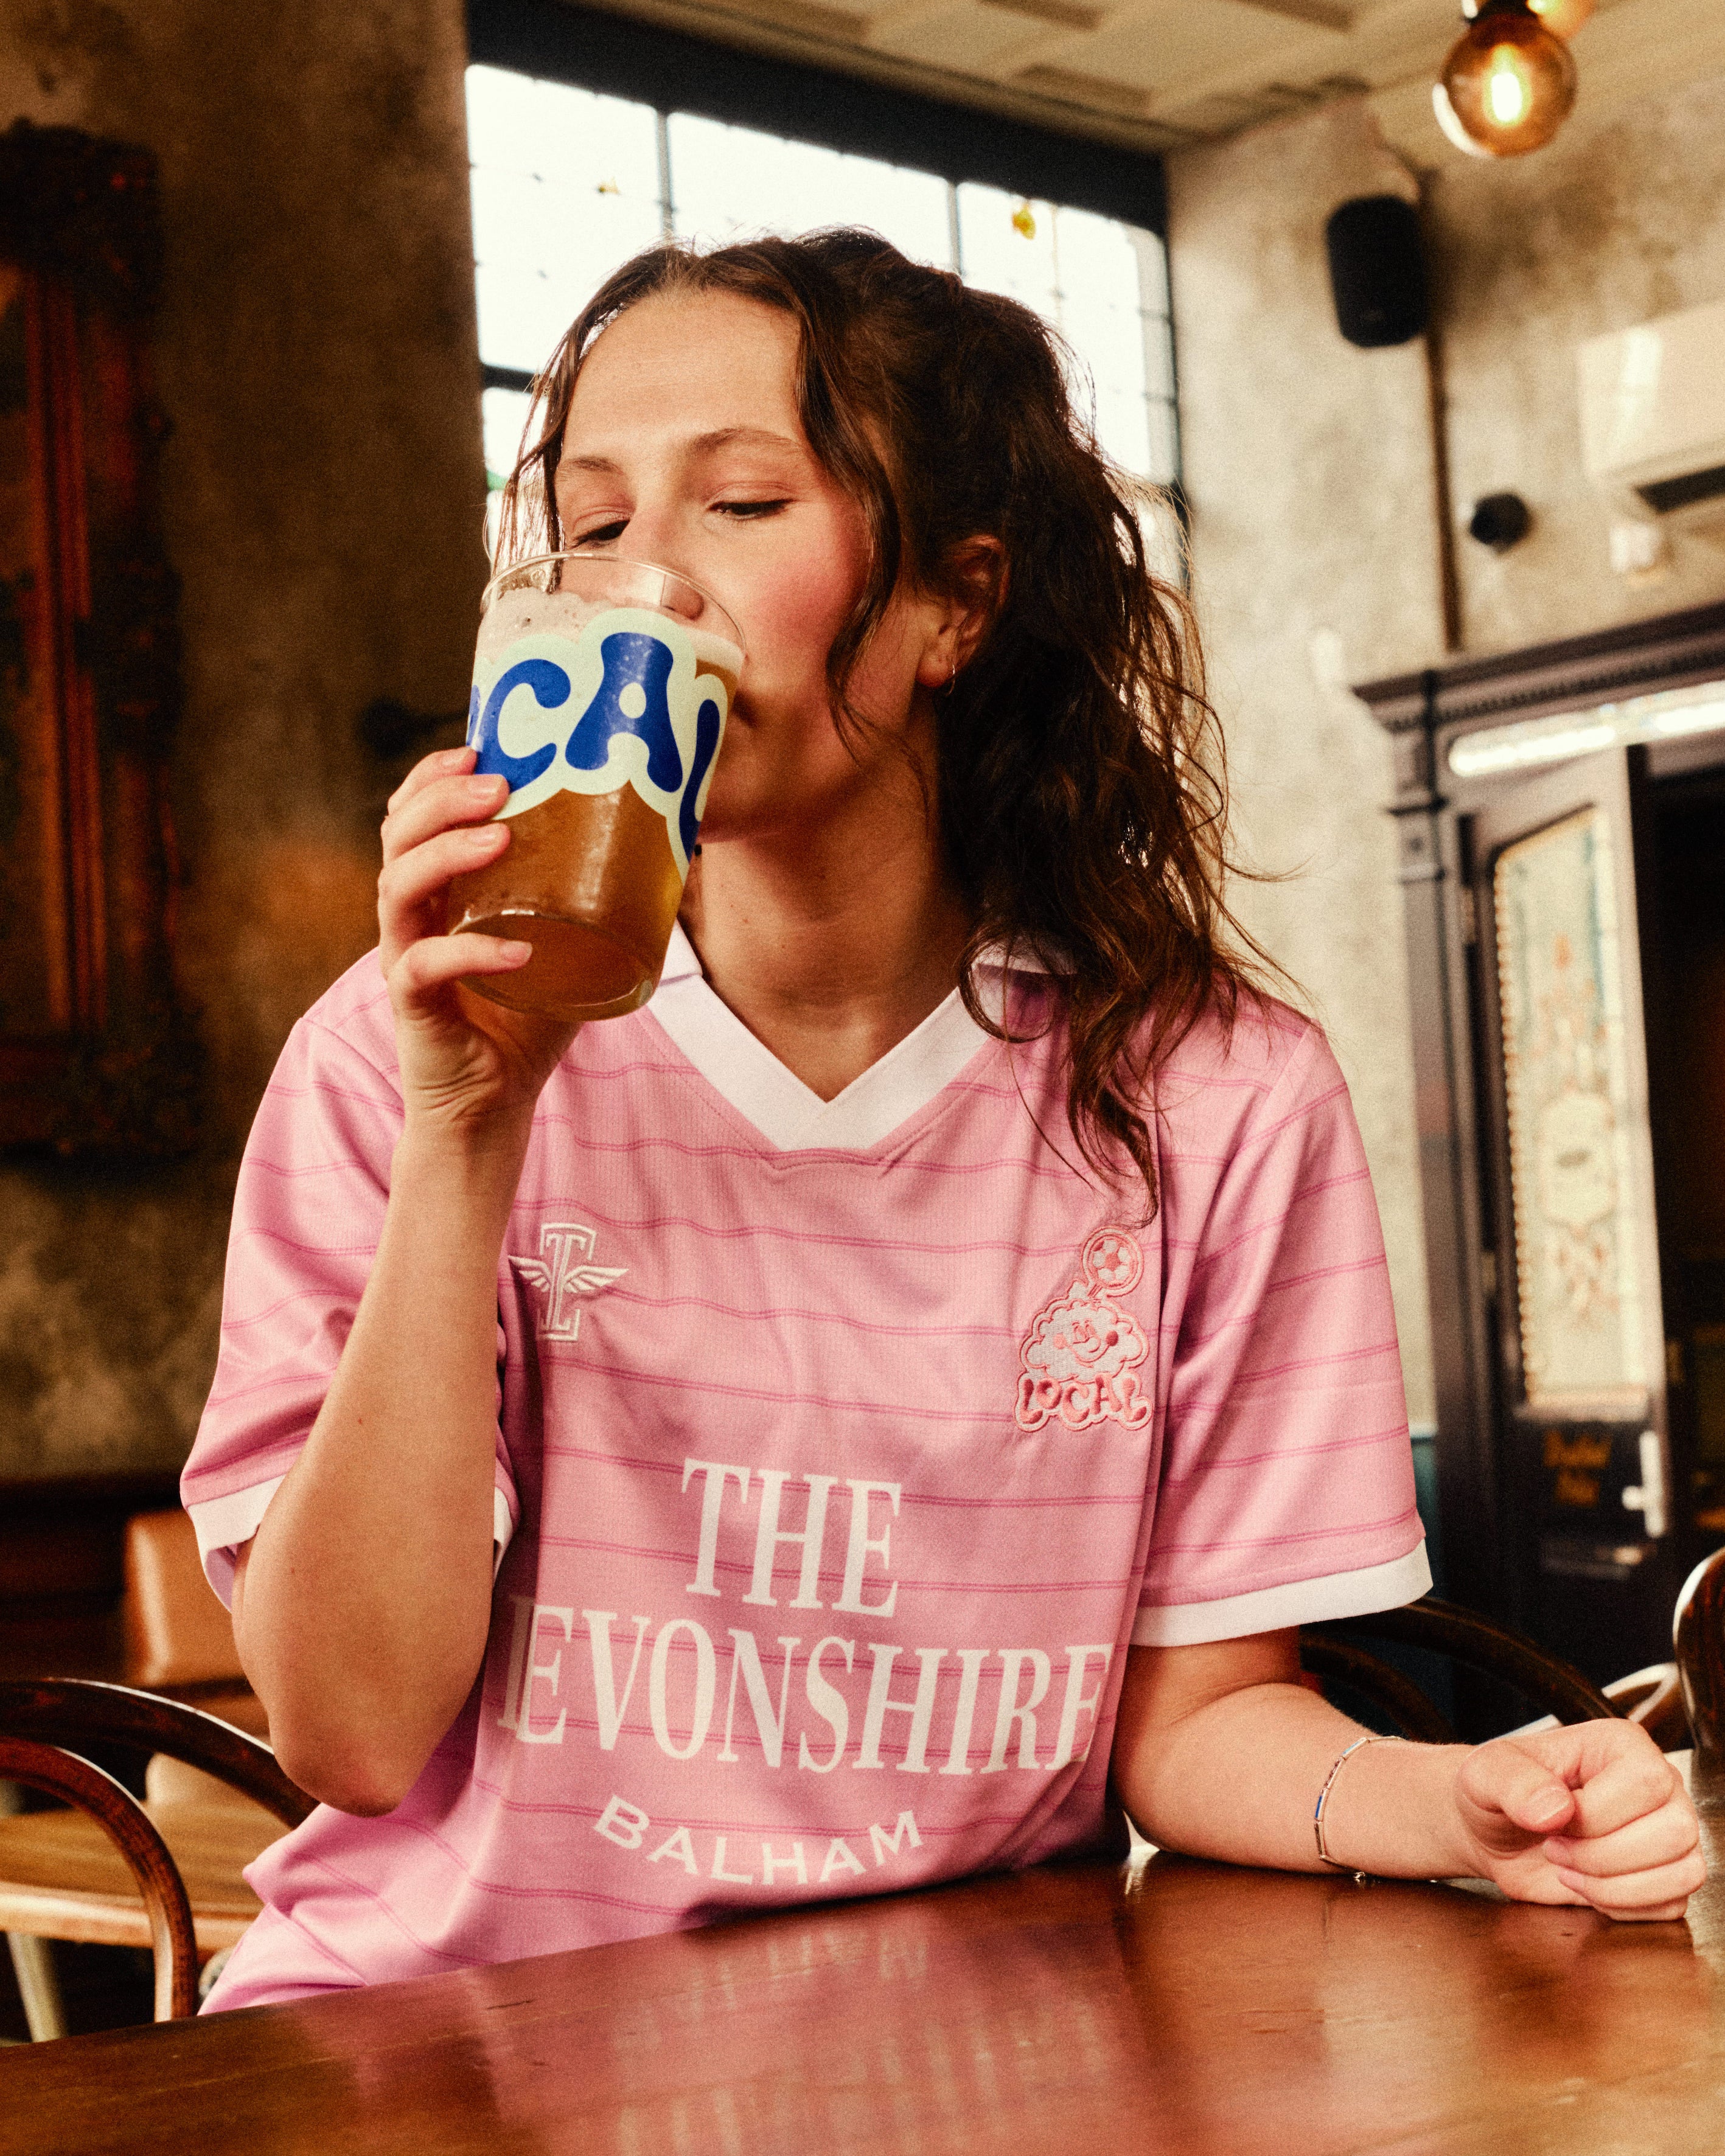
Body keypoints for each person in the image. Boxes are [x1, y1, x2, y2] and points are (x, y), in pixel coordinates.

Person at [183, 231, 1702, 2012]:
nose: (647, 582)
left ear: (954, 606)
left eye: (742, 502)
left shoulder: (1212, 1096)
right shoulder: (401, 1051)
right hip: (445, 2052)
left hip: (937, 2054)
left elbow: (1196, 1722)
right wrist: (467, 1134)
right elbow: (350, 1734)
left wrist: (1460, 1807)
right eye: (592, 524)